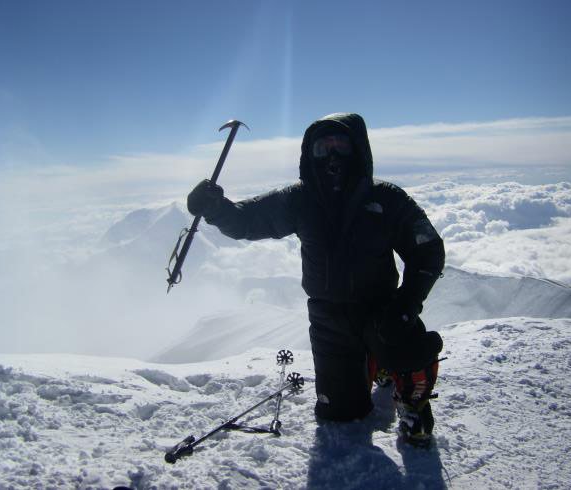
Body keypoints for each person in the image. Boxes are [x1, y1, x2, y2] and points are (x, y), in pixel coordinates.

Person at [187, 113, 445, 446]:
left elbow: (429, 252)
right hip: (328, 317)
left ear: (359, 150)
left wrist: (407, 306)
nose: (332, 155)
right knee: (340, 414)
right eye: (323, 148)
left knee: (403, 343)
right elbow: (246, 221)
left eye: (341, 145)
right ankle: (375, 364)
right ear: (309, 154)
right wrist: (216, 208)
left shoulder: (387, 199)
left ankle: (412, 399)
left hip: (382, 309)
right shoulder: (300, 199)